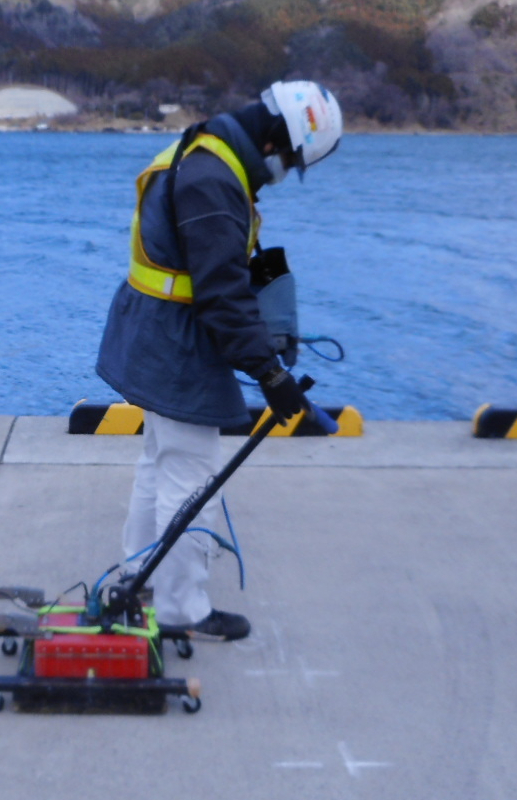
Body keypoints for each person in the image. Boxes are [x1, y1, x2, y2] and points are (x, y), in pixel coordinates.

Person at [96, 81, 343, 642]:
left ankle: (140, 574)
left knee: (160, 461)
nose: (287, 172)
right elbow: (221, 294)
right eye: (294, 160)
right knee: (190, 478)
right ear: (280, 137)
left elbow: (217, 269)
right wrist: (272, 375)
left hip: (155, 330)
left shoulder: (214, 150)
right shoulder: (214, 179)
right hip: (175, 344)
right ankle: (182, 611)